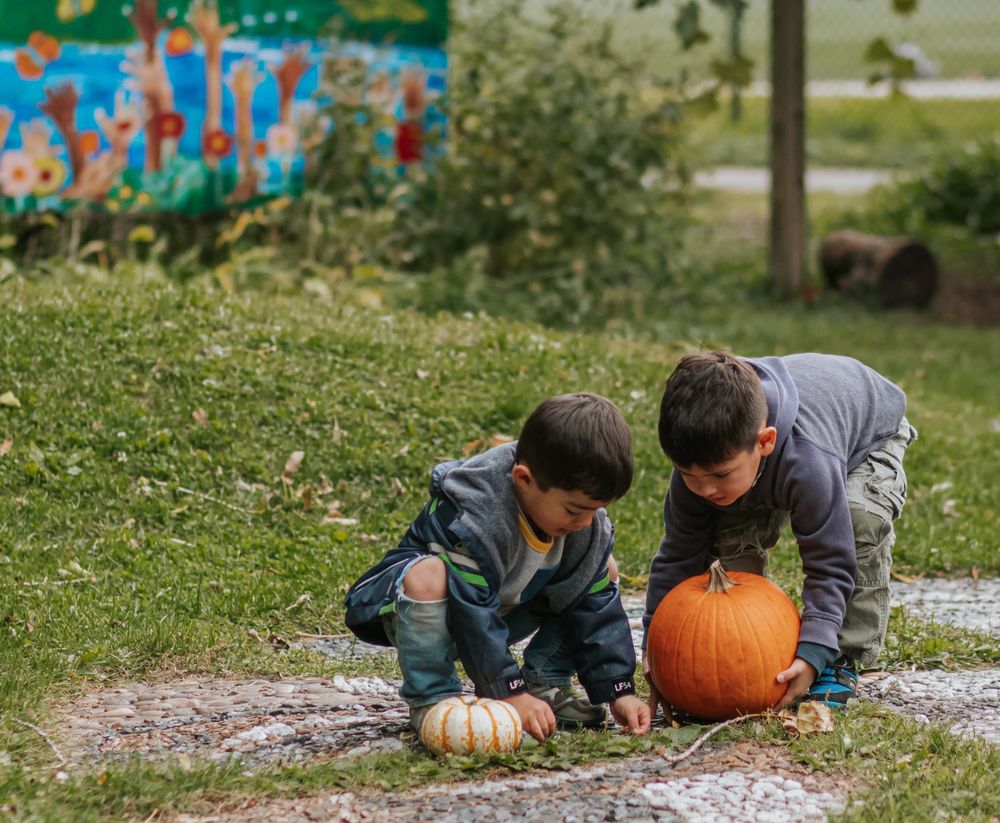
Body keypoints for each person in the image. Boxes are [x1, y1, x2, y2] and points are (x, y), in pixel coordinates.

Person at [345, 393, 651, 743]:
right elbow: (472, 610)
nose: (584, 522)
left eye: (595, 510)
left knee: (600, 569)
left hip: (500, 609)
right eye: (573, 510)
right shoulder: (476, 516)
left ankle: (545, 680)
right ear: (523, 479)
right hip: (430, 614)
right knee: (429, 575)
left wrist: (618, 689)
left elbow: (595, 609)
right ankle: (434, 700)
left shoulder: (582, 524)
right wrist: (508, 692)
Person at [643, 352, 917, 715]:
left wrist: (816, 648)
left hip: (869, 436)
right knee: (726, 537)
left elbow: (830, 561)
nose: (704, 489)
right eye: (689, 475)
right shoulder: (705, 460)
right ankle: (740, 654)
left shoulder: (808, 463)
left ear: (765, 441)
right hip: (777, 454)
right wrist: (657, 648)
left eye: (720, 475)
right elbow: (678, 555)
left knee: (858, 523)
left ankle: (842, 658)